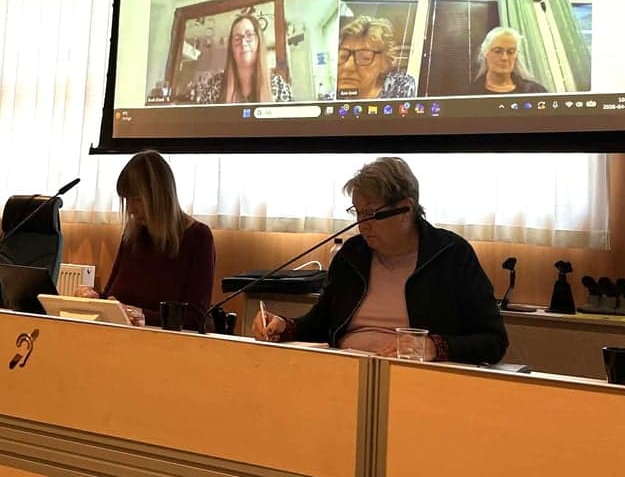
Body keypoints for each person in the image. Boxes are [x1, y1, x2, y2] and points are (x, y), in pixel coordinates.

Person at [251, 157, 508, 365]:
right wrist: (284, 326)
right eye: (358, 212)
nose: (362, 225)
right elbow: (320, 324)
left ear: (406, 210)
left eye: (372, 214)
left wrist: (433, 346)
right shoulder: (352, 255)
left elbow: (493, 341)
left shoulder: (451, 254)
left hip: (416, 376)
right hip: (345, 368)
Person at [76, 151, 215, 329]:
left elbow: (196, 318)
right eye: (126, 199)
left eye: (136, 199)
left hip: (163, 341)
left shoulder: (198, 237)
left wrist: (143, 316)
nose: (130, 209)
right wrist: (95, 299)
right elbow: (113, 297)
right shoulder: (132, 235)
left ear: (160, 197)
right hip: (121, 336)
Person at [195, 14, 293, 104]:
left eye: (249, 35)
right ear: (231, 49)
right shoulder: (214, 84)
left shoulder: (279, 86)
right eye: (237, 38)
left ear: (259, 42)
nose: (243, 43)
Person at [337, 16, 416, 99]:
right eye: (343, 56)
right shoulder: (333, 93)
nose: (348, 67)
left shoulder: (400, 87)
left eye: (364, 57)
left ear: (385, 63)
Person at [469, 26, 547, 94]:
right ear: (485, 53)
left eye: (511, 52)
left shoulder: (535, 91)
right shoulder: (470, 93)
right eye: (498, 51)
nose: (504, 58)